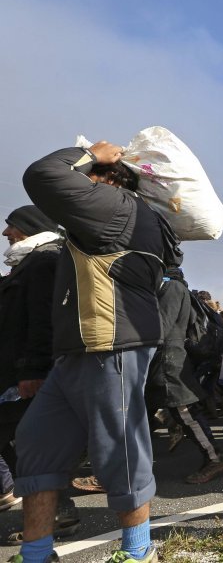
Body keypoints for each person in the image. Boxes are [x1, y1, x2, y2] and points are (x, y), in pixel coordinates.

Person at [12, 141, 177, 563]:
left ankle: (139, 552)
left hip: (112, 345)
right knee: (37, 443)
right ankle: (36, 553)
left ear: (108, 179)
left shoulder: (116, 206)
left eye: (87, 178)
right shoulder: (105, 215)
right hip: (77, 352)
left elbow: (43, 175)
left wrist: (91, 154)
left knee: (119, 449)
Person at [0, 206, 81, 545]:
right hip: (17, 371)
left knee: (27, 443)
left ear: (30, 227)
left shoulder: (46, 259)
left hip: (27, 374)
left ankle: (57, 514)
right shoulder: (32, 260)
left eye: (12, 227)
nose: (6, 234)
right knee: (21, 443)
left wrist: (33, 371)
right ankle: (55, 512)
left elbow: (42, 321)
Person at [151, 267, 223, 484]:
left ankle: (215, 458)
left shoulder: (171, 287)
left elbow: (160, 328)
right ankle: (123, 470)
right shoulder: (174, 287)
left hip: (170, 361)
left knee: (186, 413)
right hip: (167, 361)